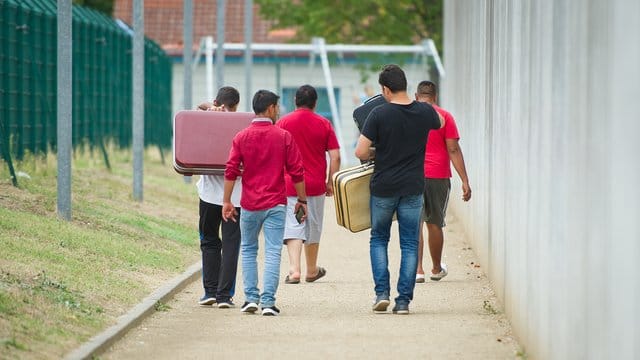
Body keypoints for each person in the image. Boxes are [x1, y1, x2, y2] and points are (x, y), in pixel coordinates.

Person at [355, 64, 443, 315]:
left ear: (385, 89)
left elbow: (360, 151)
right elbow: (440, 121)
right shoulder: (424, 111)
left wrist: (379, 151)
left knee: (379, 239)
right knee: (409, 243)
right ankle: (403, 301)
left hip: (383, 186)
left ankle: (382, 293)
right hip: (413, 186)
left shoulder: (379, 114)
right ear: (405, 85)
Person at [222, 90, 308, 316]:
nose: (278, 111)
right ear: (270, 108)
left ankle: (250, 298)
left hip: (249, 204)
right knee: (272, 252)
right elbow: (297, 172)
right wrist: (301, 199)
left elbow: (231, 170)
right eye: (277, 107)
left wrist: (226, 201)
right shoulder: (283, 136)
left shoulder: (241, 136)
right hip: (276, 205)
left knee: (249, 250)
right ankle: (268, 302)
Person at [276, 84, 341, 284]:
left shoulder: (283, 122)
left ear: (295, 101)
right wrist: (331, 182)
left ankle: (294, 269)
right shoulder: (323, 123)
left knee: (293, 224)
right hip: (315, 186)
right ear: (315, 103)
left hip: (289, 185)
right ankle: (311, 270)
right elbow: (335, 156)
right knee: (313, 226)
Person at [414, 81, 471, 283]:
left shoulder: (409, 115)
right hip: (438, 175)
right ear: (435, 97)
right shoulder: (444, 117)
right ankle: (436, 268)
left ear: (416, 95)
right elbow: (453, 149)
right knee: (434, 223)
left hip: (412, 176)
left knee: (415, 223)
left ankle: (418, 270)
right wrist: (465, 180)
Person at [195, 86, 242, 308]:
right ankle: (225, 296)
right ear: (237, 106)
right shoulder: (243, 125)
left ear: (217, 102)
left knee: (209, 241)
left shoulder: (205, 119)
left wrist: (211, 109)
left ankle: (209, 292)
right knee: (231, 244)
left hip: (208, 196)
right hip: (236, 197)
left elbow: (199, 106)